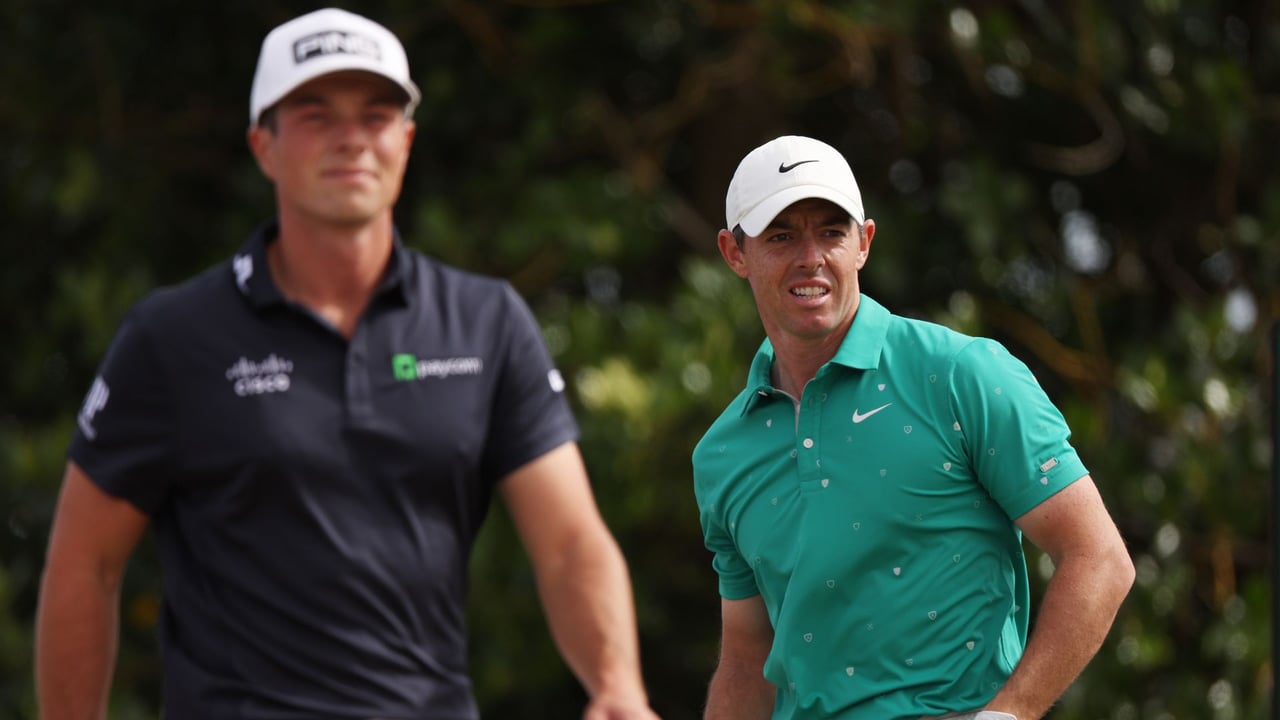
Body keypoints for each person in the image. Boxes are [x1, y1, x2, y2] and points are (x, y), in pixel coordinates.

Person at [35, 8, 658, 720]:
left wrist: (617, 686)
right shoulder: (172, 337)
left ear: (407, 140)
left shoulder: (486, 321)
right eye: (315, 115)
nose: (352, 139)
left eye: (376, 115)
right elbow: (85, 565)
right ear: (262, 146)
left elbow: (571, 542)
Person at [692, 135, 1134, 720]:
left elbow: (1098, 557)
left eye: (831, 232)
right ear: (734, 253)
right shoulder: (723, 452)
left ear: (864, 244)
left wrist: (1009, 715)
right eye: (781, 235)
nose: (811, 257)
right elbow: (749, 658)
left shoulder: (962, 375)